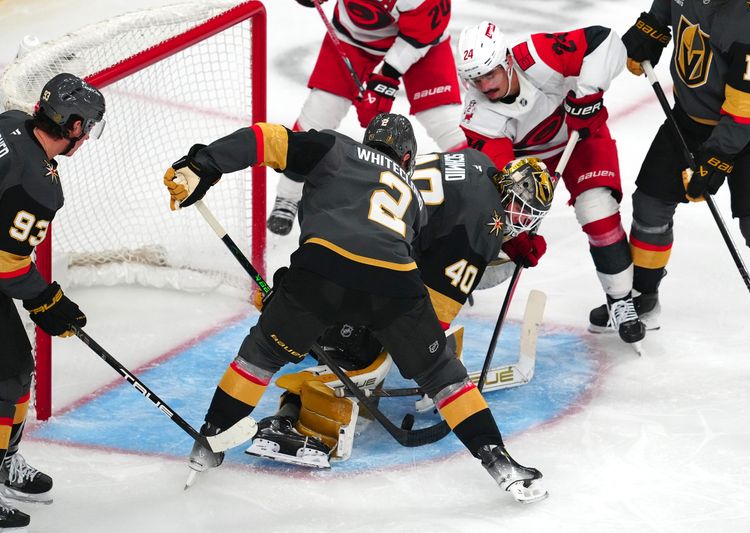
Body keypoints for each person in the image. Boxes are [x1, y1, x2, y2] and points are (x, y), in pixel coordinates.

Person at [163, 113, 548, 503]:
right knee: (442, 374)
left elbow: (266, 138)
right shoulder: (414, 199)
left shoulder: (336, 147)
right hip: (394, 284)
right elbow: (408, 272)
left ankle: (209, 440)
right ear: (409, 159)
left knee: (261, 353)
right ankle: (501, 463)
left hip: (319, 272)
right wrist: (417, 344)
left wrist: (203, 164)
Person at [248, 153, 552, 467]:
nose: (523, 223)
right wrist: (432, 363)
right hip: (354, 268)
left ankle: (310, 317)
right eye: (522, 213)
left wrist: (502, 247)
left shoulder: (478, 164)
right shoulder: (480, 226)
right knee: (359, 356)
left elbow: (439, 231)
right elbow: (435, 315)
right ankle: (284, 419)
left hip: (339, 234)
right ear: (507, 193)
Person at [619, 1, 750, 375]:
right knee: (650, 204)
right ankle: (644, 297)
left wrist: (715, 161)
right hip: (691, 116)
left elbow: (749, 108)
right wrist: (653, 27)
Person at [455, 21, 646, 348]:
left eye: (490, 74)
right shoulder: (478, 115)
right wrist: (513, 233)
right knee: (490, 219)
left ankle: (620, 299)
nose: (484, 86)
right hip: (531, 165)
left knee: (596, 209)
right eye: (475, 78)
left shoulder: (536, 55)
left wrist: (588, 95)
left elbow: (605, 41)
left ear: (506, 61)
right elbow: (498, 179)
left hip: (582, 135)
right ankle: (453, 283)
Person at [0, 73, 105, 530]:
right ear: (76, 128)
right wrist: (47, 299)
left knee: (13, 366)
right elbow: (7, 267)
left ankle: (5, 460)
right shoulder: (39, 187)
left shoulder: (8, 123)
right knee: (10, 374)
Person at [267, 0, 467, 236]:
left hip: (420, 42)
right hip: (354, 36)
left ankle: (480, 196)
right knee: (318, 115)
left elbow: (425, 30)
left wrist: (388, 75)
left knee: (445, 122)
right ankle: (287, 196)